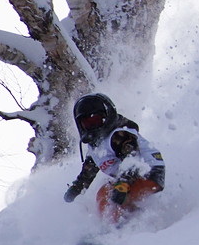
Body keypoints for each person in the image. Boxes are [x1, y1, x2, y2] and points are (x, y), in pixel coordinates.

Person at [63, 93, 165, 223]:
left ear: (107, 117)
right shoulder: (97, 148)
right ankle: (132, 220)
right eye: (87, 123)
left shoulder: (119, 135)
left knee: (108, 195)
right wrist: (76, 189)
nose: (93, 126)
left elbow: (132, 160)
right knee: (104, 194)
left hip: (149, 173)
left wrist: (123, 184)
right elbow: (87, 173)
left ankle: (111, 229)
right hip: (132, 178)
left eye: (96, 120)